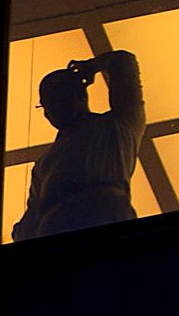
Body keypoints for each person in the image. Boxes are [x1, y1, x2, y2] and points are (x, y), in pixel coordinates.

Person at [12, 48, 145, 242]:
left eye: (57, 101)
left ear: (81, 96)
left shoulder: (117, 127)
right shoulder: (116, 128)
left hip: (86, 222)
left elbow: (122, 62)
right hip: (94, 219)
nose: (51, 112)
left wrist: (91, 66)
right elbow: (31, 220)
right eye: (48, 105)